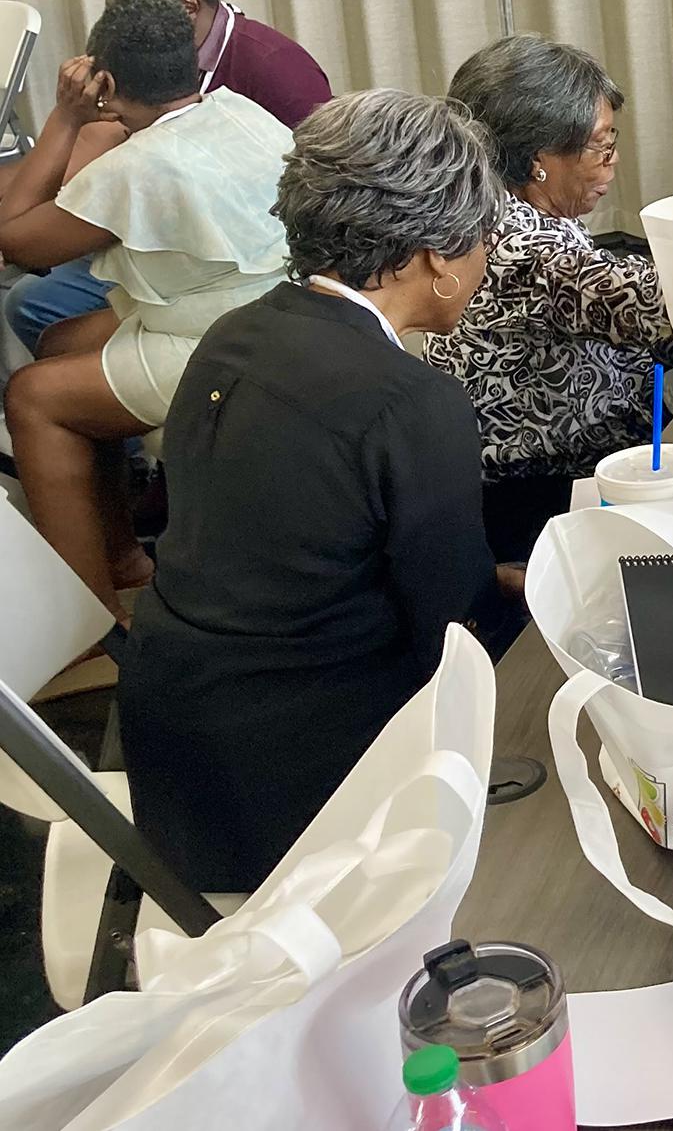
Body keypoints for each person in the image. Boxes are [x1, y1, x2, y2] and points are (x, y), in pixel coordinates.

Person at [116, 90, 520, 893]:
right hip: (309, 806)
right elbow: (450, 629)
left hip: (175, 772)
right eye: (483, 240)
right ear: (437, 251)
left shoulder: (235, 335)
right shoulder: (407, 400)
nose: (486, 262)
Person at [425, 34, 673, 561]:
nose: (613, 161)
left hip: (594, 468)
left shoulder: (499, 214)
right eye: (602, 146)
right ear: (540, 157)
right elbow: (665, 306)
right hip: (554, 504)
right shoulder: (518, 243)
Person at [0, 0, 292, 614]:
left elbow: (14, 237)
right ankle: (123, 559)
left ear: (103, 80)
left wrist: (65, 117)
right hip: (276, 315)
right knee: (59, 343)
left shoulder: (139, 168)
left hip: (221, 344)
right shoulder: (241, 113)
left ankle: (90, 623)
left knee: (30, 394)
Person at [3, 0, 332, 361]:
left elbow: (322, 196)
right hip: (204, 261)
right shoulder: (223, 104)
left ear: (187, 10)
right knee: (52, 329)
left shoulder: (276, 71)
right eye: (111, 6)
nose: (122, 19)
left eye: (133, 3)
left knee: (36, 324)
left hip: (231, 284)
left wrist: (66, 117)